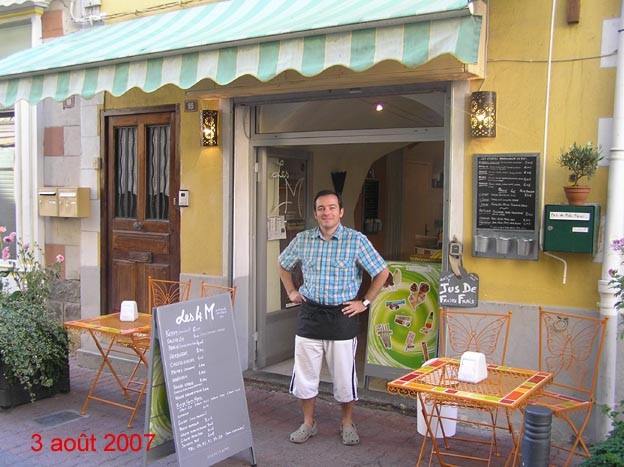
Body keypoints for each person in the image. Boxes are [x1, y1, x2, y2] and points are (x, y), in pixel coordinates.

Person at [278, 189, 389, 446]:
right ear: (315, 213)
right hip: (310, 314)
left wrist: (365, 302)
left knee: (343, 377)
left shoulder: (356, 240)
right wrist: (291, 291)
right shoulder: (303, 240)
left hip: (342, 316)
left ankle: (347, 423)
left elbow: (382, 272)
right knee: (305, 376)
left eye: (331, 207)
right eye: (321, 208)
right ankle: (308, 423)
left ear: (341, 212)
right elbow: (283, 264)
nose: (326, 212)